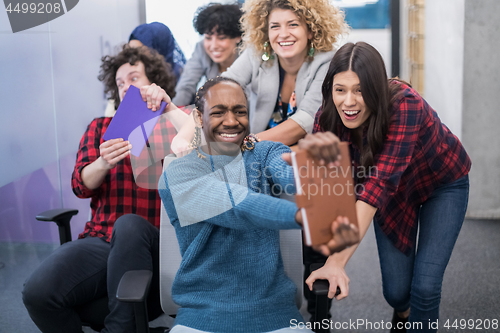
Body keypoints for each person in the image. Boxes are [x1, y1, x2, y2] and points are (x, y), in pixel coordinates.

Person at [158, 77, 358, 333]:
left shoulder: (264, 153)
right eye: (218, 112)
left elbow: (294, 177)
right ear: (198, 118)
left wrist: (326, 169)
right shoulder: (179, 172)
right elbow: (237, 206)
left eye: (239, 111)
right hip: (202, 317)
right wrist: (303, 216)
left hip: (276, 315)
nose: (231, 121)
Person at [306, 42, 471, 333]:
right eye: (340, 89)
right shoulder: (326, 120)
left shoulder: (404, 103)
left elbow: (376, 187)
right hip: (394, 198)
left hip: (441, 185)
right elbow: (331, 195)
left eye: (360, 90)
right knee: (396, 293)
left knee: (426, 287)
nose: (349, 102)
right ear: (330, 88)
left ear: (376, 89)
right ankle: (404, 315)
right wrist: (327, 256)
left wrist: (337, 261)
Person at [22, 45, 186, 333]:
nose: (125, 88)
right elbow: (80, 185)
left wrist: (169, 109)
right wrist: (103, 162)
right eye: (120, 83)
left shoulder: (174, 125)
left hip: (154, 247)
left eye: (134, 78)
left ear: (155, 82)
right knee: (38, 294)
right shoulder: (101, 128)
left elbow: (210, 152)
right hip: (102, 239)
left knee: (130, 226)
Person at [172, 2, 243, 106]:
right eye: (208, 38)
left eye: (222, 38)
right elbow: (186, 87)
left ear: (238, 37)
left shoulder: (248, 54)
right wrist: (172, 115)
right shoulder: (201, 48)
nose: (213, 45)